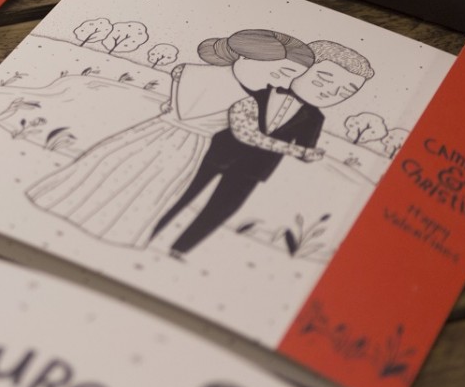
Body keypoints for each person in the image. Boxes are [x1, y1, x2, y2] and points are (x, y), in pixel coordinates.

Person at [26, 29, 315, 247]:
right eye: (281, 72)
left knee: (112, 167)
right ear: (248, 56)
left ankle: (68, 205)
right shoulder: (246, 100)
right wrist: (296, 150)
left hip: (151, 132)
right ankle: (108, 228)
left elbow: (169, 106)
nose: (282, 83)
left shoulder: (184, 70)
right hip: (186, 147)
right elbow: (248, 135)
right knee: (148, 187)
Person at [151, 39, 372, 258]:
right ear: (302, 68)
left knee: (222, 208)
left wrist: (309, 155)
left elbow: (305, 149)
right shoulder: (256, 88)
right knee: (180, 193)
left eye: (344, 92)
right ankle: (149, 231)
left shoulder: (315, 117)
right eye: (323, 80)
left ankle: (180, 248)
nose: (330, 92)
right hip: (218, 150)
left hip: (255, 168)